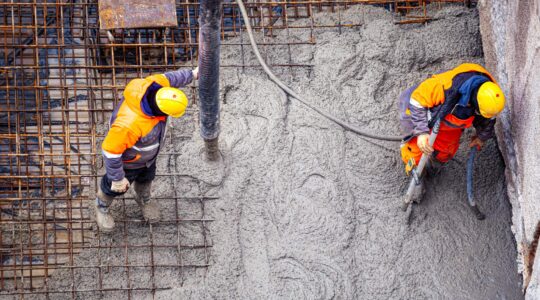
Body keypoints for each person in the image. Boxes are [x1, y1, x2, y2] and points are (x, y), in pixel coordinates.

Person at [95, 67, 199, 232]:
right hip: (128, 163)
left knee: (147, 178)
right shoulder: (130, 124)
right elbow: (110, 150)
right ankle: (101, 207)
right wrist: (117, 178)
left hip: (148, 158)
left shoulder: (157, 86)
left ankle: (143, 198)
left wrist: (192, 74)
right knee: (111, 187)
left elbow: (172, 78)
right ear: (161, 110)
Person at [398, 63, 505, 193]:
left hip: (448, 120)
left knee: (445, 153)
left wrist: (481, 137)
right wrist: (421, 132)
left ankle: (431, 164)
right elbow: (417, 101)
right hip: (419, 112)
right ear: (475, 101)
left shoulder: (491, 97)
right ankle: (416, 173)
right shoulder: (446, 86)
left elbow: (489, 119)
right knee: (416, 147)